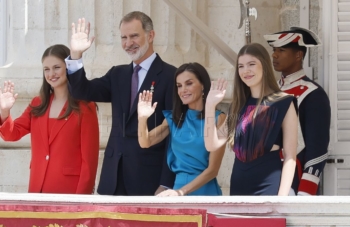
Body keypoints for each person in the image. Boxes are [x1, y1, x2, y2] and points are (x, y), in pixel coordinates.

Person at [65, 11, 176, 195]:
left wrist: (166, 182)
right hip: (113, 177)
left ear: (151, 35)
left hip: (150, 178)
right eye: (123, 37)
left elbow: (174, 133)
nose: (128, 43)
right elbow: (82, 91)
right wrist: (76, 55)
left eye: (134, 36)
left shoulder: (170, 75)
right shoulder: (117, 74)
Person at [0, 44, 99, 194]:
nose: (51, 73)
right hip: (37, 190)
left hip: (70, 193)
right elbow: (10, 134)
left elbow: (89, 162)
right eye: (46, 69)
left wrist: (81, 201)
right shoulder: (37, 104)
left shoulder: (85, 107)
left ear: (68, 67)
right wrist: (5, 111)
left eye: (56, 67)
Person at [204, 43, 298, 195]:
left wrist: (282, 199)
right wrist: (209, 106)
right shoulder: (238, 105)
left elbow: (290, 157)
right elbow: (211, 145)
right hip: (238, 185)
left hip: (269, 186)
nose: (245, 70)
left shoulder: (284, 102)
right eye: (240, 66)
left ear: (264, 65)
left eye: (251, 64)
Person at [138, 63, 226, 196]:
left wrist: (181, 192)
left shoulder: (220, 118)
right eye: (179, 86)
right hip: (177, 191)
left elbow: (213, 170)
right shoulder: (174, 118)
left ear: (203, 85)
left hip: (204, 192)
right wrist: (142, 118)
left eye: (189, 83)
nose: (183, 90)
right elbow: (145, 142)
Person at [264, 27, 331, 195]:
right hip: (266, 176)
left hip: (295, 178)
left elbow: (317, 149)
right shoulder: (271, 91)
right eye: (274, 50)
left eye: (281, 50)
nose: (274, 55)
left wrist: (305, 192)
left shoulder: (313, 94)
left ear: (298, 55)